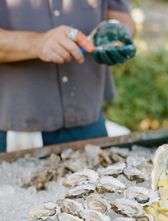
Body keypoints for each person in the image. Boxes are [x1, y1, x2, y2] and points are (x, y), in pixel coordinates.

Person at [0, 0, 136, 152]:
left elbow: (122, 15)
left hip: (89, 119)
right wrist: (36, 43)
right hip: (17, 126)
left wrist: (116, 28)